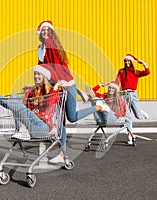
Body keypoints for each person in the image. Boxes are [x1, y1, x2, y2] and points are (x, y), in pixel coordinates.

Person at [36, 20, 104, 163]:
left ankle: (97, 107)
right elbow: (42, 68)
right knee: (60, 121)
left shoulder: (50, 43)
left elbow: (56, 65)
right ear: (40, 32)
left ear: (51, 32)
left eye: (48, 30)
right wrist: (37, 84)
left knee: (72, 117)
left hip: (65, 83)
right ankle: (62, 154)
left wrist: (59, 80)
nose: (46, 32)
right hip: (57, 86)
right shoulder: (40, 48)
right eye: (44, 30)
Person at [0, 64, 63, 140]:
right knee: (14, 97)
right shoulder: (33, 92)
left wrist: (55, 88)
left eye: (39, 74)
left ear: (44, 77)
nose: (36, 76)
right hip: (30, 123)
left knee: (15, 102)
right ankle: (21, 129)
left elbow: (50, 103)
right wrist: (29, 91)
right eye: (35, 74)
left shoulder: (51, 91)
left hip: (42, 127)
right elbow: (21, 107)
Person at [114, 54, 150, 144]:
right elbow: (117, 81)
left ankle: (139, 111)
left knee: (138, 116)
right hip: (124, 94)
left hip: (133, 94)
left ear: (131, 62)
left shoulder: (135, 72)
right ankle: (129, 136)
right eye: (125, 61)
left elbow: (147, 72)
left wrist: (143, 63)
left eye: (128, 61)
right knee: (127, 116)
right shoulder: (121, 71)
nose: (127, 62)